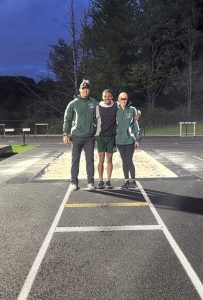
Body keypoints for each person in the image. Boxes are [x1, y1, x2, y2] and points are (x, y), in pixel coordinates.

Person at [63, 79, 98, 191]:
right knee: (75, 160)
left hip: (89, 137)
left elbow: (104, 111)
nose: (85, 91)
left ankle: (90, 182)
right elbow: (67, 119)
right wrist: (65, 133)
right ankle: (74, 182)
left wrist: (138, 113)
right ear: (80, 90)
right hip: (76, 136)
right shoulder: (73, 103)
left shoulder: (94, 103)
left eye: (87, 89)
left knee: (90, 160)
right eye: (83, 89)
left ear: (89, 90)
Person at [116, 92, 142, 190]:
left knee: (129, 160)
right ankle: (126, 181)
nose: (124, 100)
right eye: (122, 99)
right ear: (118, 99)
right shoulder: (116, 110)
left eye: (125, 99)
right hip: (119, 141)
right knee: (124, 161)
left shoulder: (132, 110)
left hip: (130, 140)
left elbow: (136, 126)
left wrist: (137, 139)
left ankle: (133, 181)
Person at [95, 89, 118, 189]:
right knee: (101, 159)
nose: (107, 98)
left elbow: (128, 107)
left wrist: (138, 112)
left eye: (109, 96)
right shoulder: (97, 107)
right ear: (102, 97)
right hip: (100, 136)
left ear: (112, 97)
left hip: (111, 136)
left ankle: (108, 181)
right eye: (105, 96)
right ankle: (100, 180)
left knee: (109, 159)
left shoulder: (116, 105)